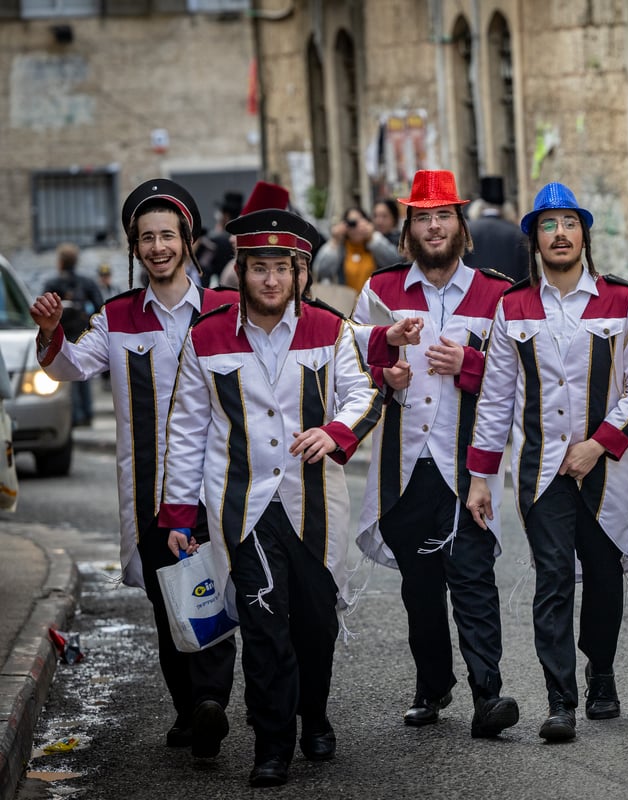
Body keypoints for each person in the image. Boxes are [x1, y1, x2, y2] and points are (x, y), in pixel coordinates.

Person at [157, 207, 387, 788]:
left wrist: (334, 431)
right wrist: (181, 512)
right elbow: (186, 429)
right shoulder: (205, 337)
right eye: (257, 268)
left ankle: (315, 713)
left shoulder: (329, 331)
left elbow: (363, 394)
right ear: (240, 271)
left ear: (299, 273)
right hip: (241, 505)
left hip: (313, 502)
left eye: (280, 269)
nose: (269, 281)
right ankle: (272, 742)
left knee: (314, 622)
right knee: (263, 622)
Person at [30, 179, 238, 759]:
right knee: (166, 597)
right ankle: (189, 710)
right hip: (147, 491)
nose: (157, 246)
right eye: (146, 238)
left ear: (187, 238)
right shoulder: (117, 316)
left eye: (167, 235)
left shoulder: (226, 308)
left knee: (212, 590)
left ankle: (212, 701)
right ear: (134, 246)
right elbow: (71, 367)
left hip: (212, 486)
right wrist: (52, 335)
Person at [466, 182, 628, 742]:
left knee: (602, 577)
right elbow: (497, 396)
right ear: (534, 239)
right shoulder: (513, 307)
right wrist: (481, 477)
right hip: (541, 471)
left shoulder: (622, 301)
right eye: (548, 225)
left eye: (569, 223)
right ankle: (560, 700)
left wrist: (598, 443)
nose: (560, 234)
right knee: (553, 579)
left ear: (584, 233)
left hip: (607, 468)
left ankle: (601, 671)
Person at [351, 170, 520, 739]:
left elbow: (514, 378)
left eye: (443, 215)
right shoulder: (380, 290)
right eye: (423, 217)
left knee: (472, 576)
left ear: (461, 227)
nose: (433, 226)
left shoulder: (496, 292)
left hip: (466, 461)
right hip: (403, 464)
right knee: (419, 587)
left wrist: (467, 366)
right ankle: (432, 683)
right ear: (408, 231)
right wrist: (387, 373)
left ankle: (488, 694)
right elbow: (353, 368)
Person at [43, 243, 105, 426]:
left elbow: (44, 311)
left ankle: (75, 416)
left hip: (61, 335)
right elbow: (100, 307)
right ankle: (87, 413)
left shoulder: (52, 283)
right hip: (82, 333)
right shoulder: (86, 282)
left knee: (66, 378)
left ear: (60, 262)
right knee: (83, 374)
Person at [314, 205, 400, 291]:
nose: (355, 228)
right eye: (351, 223)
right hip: (346, 301)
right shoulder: (341, 248)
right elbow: (321, 271)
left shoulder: (374, 244)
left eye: (358, 222)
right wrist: (334, 241)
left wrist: (372, 237)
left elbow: (394, 262)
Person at [463, 175, 528, 283]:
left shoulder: (467, 230)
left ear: (479, 205)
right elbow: (526, 275)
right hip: (509, 296)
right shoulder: (517, 233)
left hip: (475, 295)